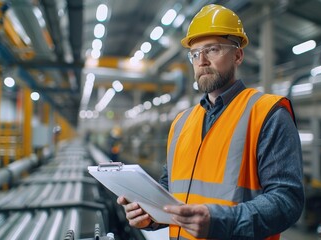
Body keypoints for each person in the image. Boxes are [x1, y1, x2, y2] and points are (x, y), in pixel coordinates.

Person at [117, 4, 304, 240]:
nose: (202, 61)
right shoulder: (181, 122)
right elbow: (170, 190)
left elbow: (287, 200)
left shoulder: (267, 113)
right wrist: (149, 214)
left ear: (238, 55)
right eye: (195, 54)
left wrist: (220, 221)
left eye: (212, 50)